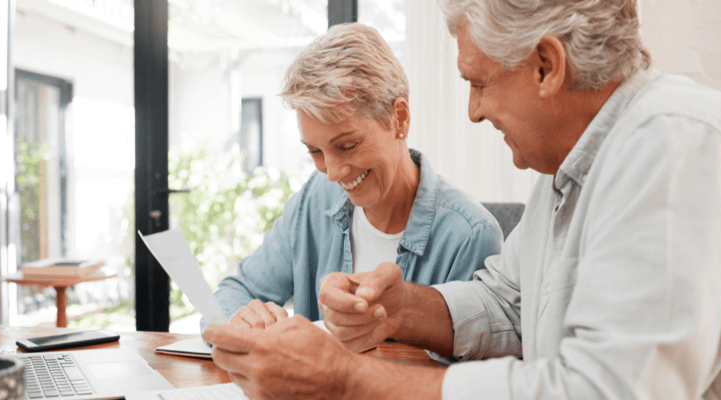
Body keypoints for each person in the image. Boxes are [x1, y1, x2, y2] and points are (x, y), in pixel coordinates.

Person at [204, 0, 721, 398]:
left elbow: (606, 389)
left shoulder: (674, 142)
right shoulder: (567, 174)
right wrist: (400, 307)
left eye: (479, 82)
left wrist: (345, 379)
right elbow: (507, 305)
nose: (473, 111)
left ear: (546, 66)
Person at [207, 22, 503, 330]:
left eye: (347, 146)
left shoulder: (470, 236)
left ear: (399, 117)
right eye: (315, 152)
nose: (333, 172)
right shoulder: (315, 199)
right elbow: (233, 292)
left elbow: (466, 369)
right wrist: (240, 318)